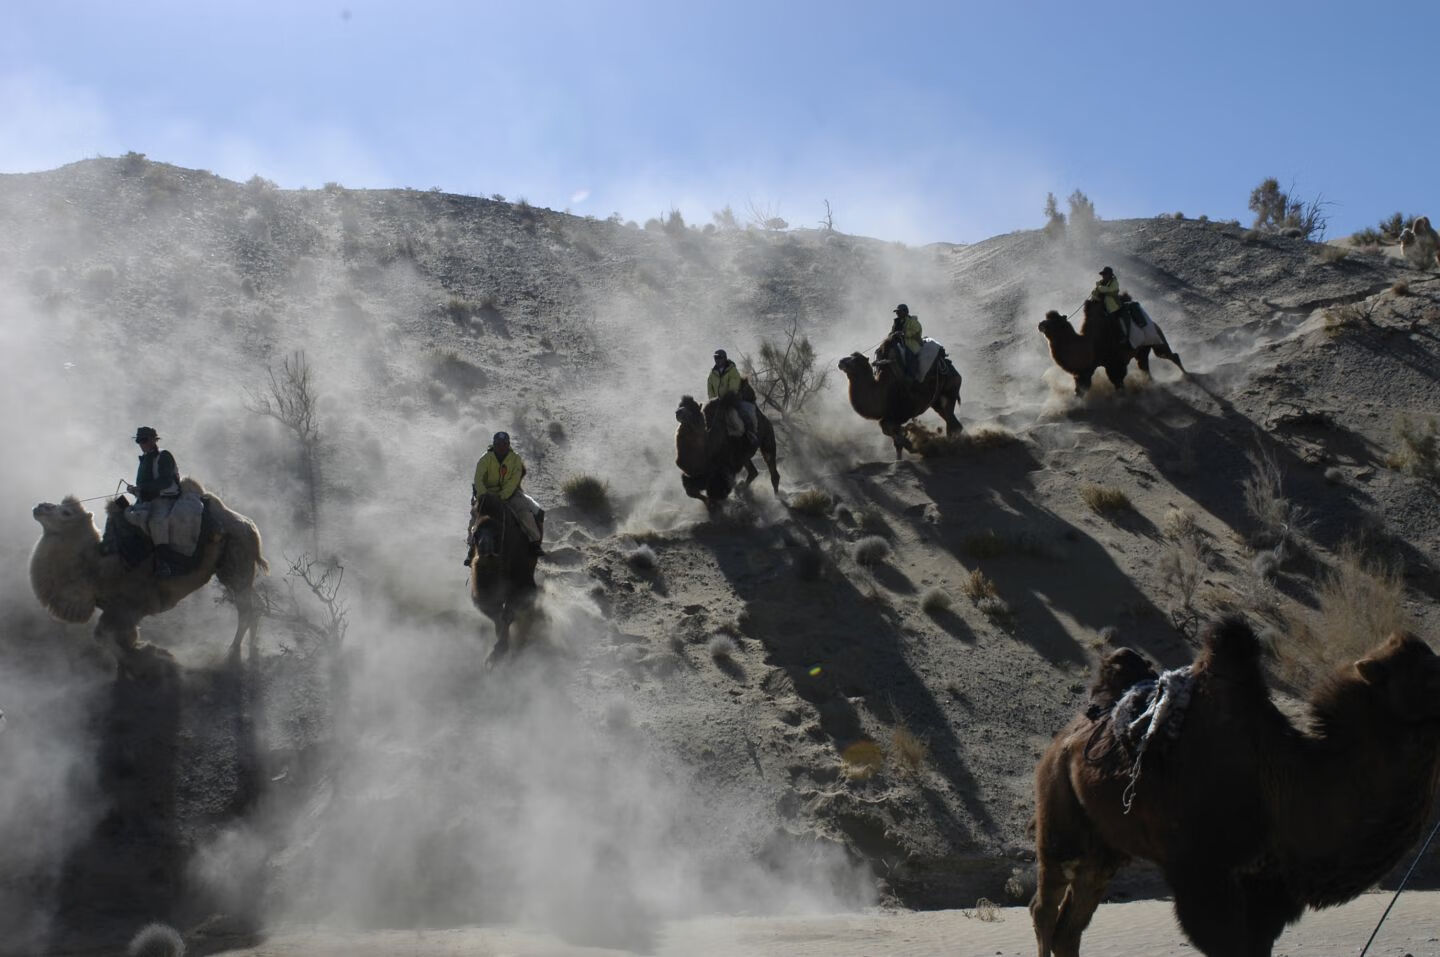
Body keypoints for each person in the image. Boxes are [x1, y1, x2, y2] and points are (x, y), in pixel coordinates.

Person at [467, 431, 543, 563]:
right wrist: (484, 495)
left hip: (510, 494)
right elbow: (478, 479)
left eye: (504, 444)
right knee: (475, 518)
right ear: (494, 445)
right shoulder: (485, 459)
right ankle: (471, 548)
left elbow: (514, 480)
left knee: (524, 513)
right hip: (487, 494)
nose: (501, 447)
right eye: (498, 444)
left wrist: (503, 496)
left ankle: (534, 542)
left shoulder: (515, 459)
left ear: (508, 445)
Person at [124, 426, 182, 575]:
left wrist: (142, 488)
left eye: (143, 440)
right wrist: (136, 490)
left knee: (156, 522)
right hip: (148, 500)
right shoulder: (145, 459)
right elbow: (146, 485)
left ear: (152, 440)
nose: (141, 444)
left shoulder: (163, 456)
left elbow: (165, 482)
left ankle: (164, 563)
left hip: (165, 499)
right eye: (139, 441)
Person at [706, 349, 757, 445]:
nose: (717, 360)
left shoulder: (732, 370)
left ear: (724, 358)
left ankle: (750, 433)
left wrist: (726, 398)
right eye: (715, 358)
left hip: (731, 399)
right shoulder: (712, 373)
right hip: (717, 402)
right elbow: (710, 388)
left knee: (742, 412)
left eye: (719, 357)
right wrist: (713, 400)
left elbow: (733, 386)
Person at [889, 304, 923, 378]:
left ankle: (910, 376)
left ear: (905, 312)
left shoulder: (913, 321)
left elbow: (915, 331)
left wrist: (903, 333)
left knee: (908, 356)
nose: (897, 313)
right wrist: (891, 335)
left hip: (911, 345)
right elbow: (892, 332)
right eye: (897, 312)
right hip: (899, 344)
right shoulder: (897, 322)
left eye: (899, 311)